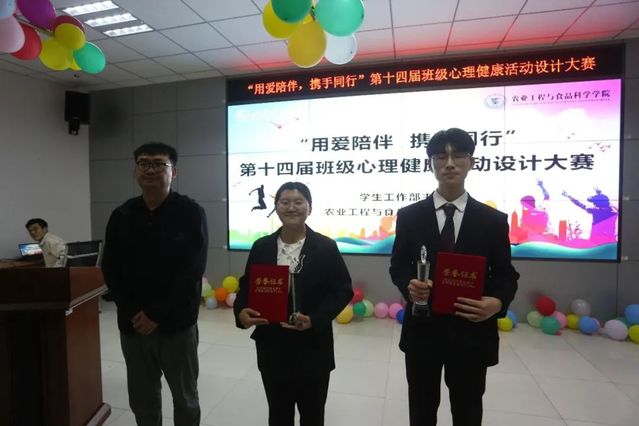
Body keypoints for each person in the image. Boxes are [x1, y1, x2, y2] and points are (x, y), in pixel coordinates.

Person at [389, 128, 519, 426]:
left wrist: (496, 303)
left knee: (468, 410)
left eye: (458, 155)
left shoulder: (492, 221)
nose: (449, 163)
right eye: (440, 157)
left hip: (471, 332)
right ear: (431, 164)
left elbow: (505, 274)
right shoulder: (409, 216)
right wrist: (409, 286)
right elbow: (398, 266)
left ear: (471, 162)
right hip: (423, 331)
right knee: (421, 410)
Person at [101, 142, 208, 426]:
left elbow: (192, 269)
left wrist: (156, 313)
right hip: (134, 324)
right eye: (143, 163)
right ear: (135, 170)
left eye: (159, 164)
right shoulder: (122, 214)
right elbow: (110, 268)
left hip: (176, 324)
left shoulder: (190, 212)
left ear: (174, 171)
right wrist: (133, 311)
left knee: (185, 398)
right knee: (142, 398)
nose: (150, 170)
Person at [234, 181, 353, 426]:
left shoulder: (326, 247)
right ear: (276, 207)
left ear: (310, 207)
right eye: (284, 202)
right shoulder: (262, 246)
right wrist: (241, 312)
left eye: (298, 202)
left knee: (312, 415)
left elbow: (342, 291)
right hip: (272, 345)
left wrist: (315, 319)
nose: (291, 208)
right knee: (279, 414)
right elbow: (246, 286)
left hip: (313, 347)